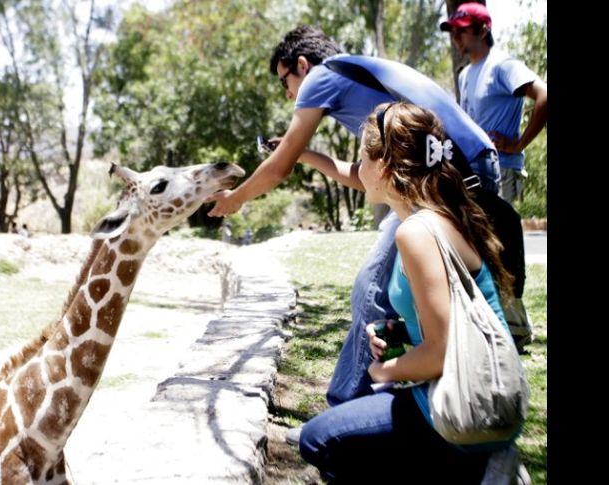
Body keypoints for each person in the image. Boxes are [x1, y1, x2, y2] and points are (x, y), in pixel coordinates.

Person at [208, 25, 526, 409]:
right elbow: (364, 177)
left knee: (372, 289)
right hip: (470, 168)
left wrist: (235, 199)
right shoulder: (356, 74)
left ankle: (350, 407)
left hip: (449, 175)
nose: (288, 93)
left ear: (302, 65)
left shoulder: (321, 77)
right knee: (396, 293)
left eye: (284, 81)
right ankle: (394, 404)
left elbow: (277, 170)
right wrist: (302, 153)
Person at [297, 101, 521, 483]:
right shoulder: (444, 214)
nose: (358, 171)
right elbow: (448, 322)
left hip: (459, 404)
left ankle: (473, 470)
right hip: (479, 394)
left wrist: (383, 368)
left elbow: (440, 353)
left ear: (384, 168)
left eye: (361, 161)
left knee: (318, 439)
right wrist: (399, 336)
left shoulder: (416, 232)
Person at [441, 2, 546, 350]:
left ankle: (516, 329)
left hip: (502, 170)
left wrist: (518, 144)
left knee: (501, 249)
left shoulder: (503, 66)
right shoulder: (464, 74)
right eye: (453, 31)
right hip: (474, 173)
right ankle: (492, 324)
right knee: (480, 249)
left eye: (462, 29)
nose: (457, 37)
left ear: (483, 29)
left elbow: (543, 95)